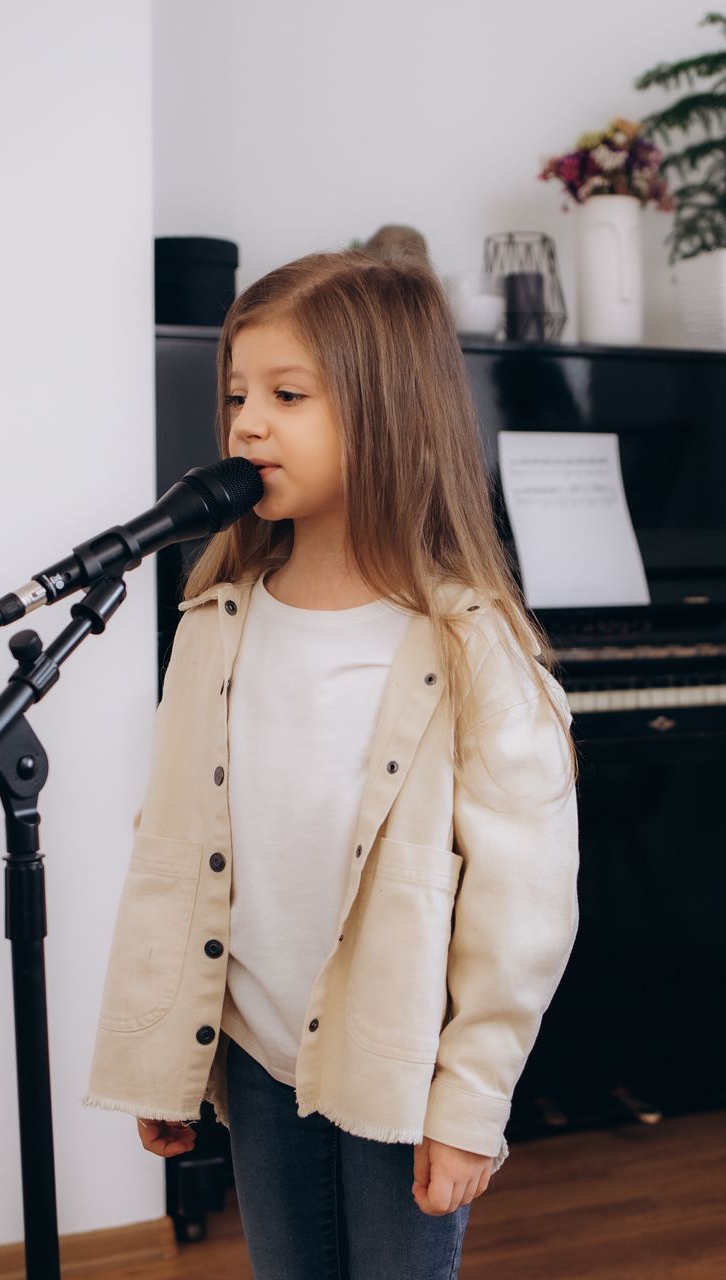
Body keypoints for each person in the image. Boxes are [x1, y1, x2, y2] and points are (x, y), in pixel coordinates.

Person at [83, 248, 582, 1279]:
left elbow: (523, 906)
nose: (246, 423)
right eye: (236, 394)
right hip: (261, 1060)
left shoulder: (469, 645)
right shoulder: (217, 624)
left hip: (397, 1069)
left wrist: (471, 1101)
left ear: (388, 410)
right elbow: (171, 848)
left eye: (287, 394)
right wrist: (163, 1052)